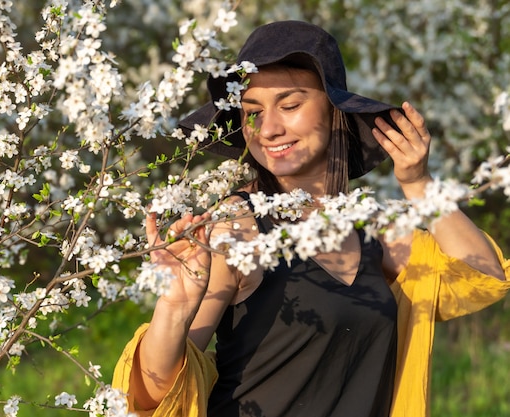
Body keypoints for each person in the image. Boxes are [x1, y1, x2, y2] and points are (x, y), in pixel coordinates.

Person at [112, 20, 510, 417]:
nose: (268, 128)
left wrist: (419, 185)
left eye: (290, 105)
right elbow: (153, 397)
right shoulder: (237, 231)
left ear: (335, 110)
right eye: (252, 112)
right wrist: (175, 309)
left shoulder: (373, 230)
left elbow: (482, 278)